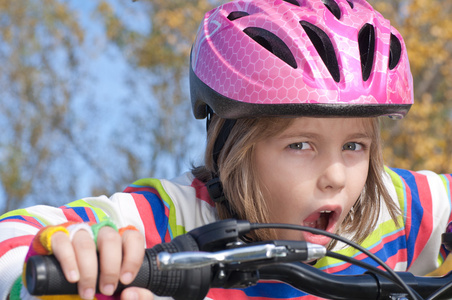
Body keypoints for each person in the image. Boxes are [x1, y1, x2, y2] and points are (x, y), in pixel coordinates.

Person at [1, 0, 451, 299]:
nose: (335, 174)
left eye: (354, 145)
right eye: (300, 145)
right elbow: (9, 242)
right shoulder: (170, 221)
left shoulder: (389, 209)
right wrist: (68, 252)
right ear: (232, 148)